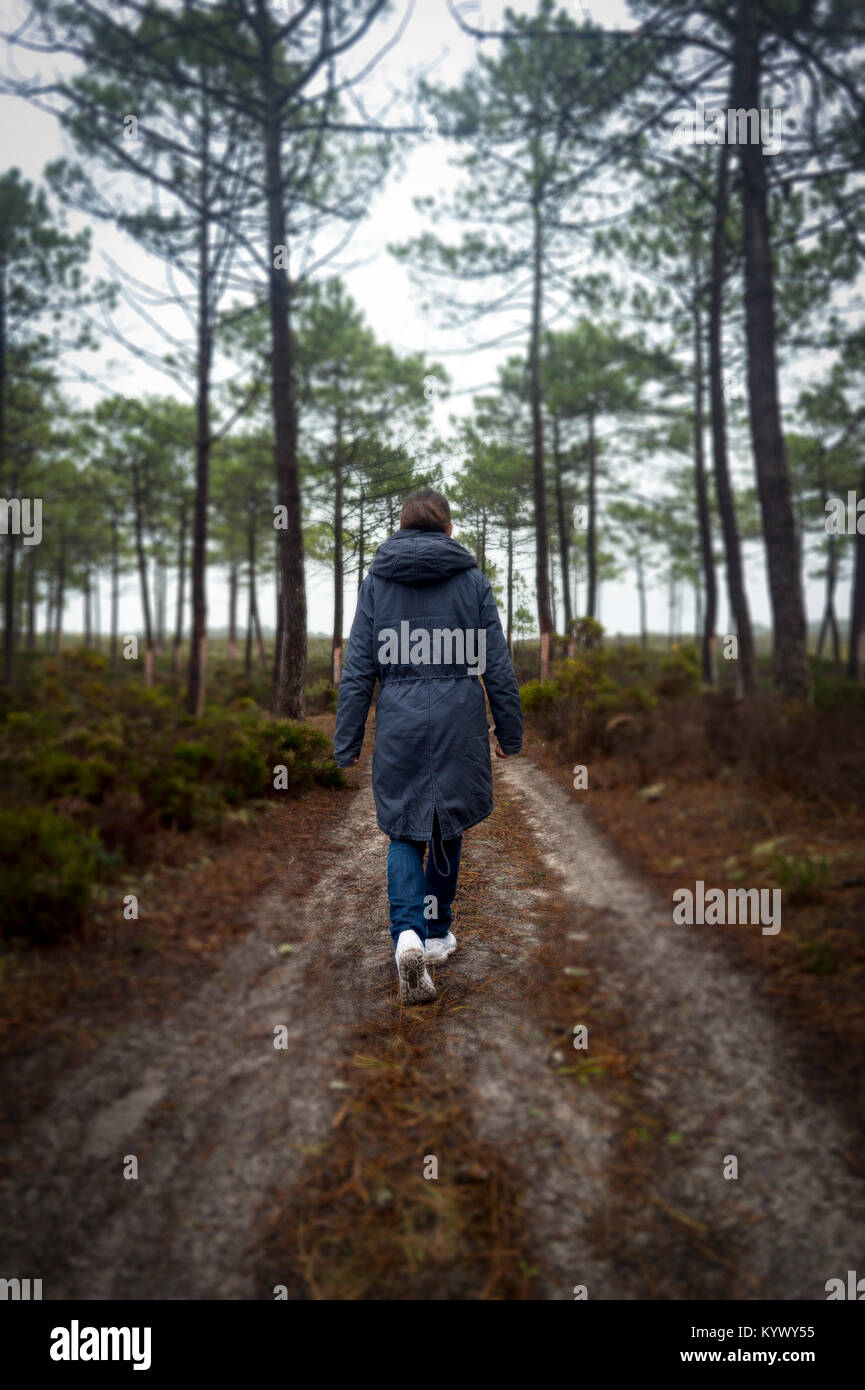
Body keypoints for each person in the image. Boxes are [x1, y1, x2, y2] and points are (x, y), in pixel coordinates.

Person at [333, 485, 523, 1004]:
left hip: (400, 721)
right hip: (459, 718)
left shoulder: (376, 583)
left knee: (402, 828)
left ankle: (409, 936)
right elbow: (497, 666)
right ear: (449, 528)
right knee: (449, 820)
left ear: (400, 525)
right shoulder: (472, 581)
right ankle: (437, 936)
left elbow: (358, 671)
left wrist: (347, 741)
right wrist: (510, 732)